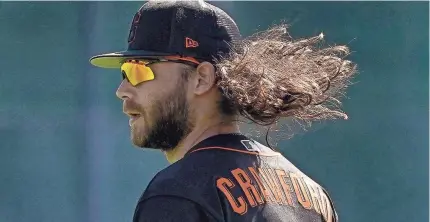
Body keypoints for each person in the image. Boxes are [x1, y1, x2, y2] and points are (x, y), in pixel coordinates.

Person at [90, 1, 357, 221]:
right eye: (124, 72)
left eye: (139, 70)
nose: (122, 89)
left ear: (202, 78)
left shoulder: (178, 192)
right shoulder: (313, 195)